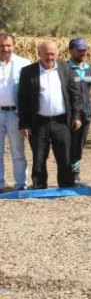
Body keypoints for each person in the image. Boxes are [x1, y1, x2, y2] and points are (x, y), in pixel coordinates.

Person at [17, 40, 82, 189]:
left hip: (61, 122)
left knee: (64, 157)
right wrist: (24, 123)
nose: (50, 57)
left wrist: (77, 116)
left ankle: (66, 187)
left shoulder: (66, 69)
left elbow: (74, 95)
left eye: (52, 54)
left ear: (57, 54)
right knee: (39, 158)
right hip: (38, 123)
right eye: (46, 54)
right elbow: (23, 100)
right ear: (39, 53)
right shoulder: (28, 72)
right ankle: (39, 188)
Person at [0, 32, 30, 191]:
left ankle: (21, 184)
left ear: (14, 46)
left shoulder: (24, 64)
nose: (5, 49)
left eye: (8, 45)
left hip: (15, 114)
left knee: (18, 152)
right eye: (2, 46)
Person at [67, 37, 91, 187]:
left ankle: (75, 175)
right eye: (79, 50)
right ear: (71, 50)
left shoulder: (90, 69)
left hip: (86, 112)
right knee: (68, 145)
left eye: (84, 50)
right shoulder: (64, 68)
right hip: (69, 114)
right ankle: (66, 176)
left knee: (80, 145)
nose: (82, 52)